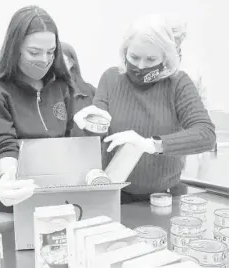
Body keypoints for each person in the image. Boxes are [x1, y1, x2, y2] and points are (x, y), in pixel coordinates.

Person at [0, 6, 110, 213]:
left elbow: (67, 140)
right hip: (8, 203)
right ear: (14, 47)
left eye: (51, 52)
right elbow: (0, 141)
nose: (44, 60)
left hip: (52, 197)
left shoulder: (61, 85)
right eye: (34, 52)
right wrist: (8, 175)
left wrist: (89, 124)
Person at [93, 15, 216, 204]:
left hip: (163, 197)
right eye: (134, 57)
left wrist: (151, 145)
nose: (140, 66)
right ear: (125, 51)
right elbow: (96, 135)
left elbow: (206, 135)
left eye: (150, 59)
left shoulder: (178, 84)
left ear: (165, 58)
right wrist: (90, 122)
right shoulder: (111, 79)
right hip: (114, 196)